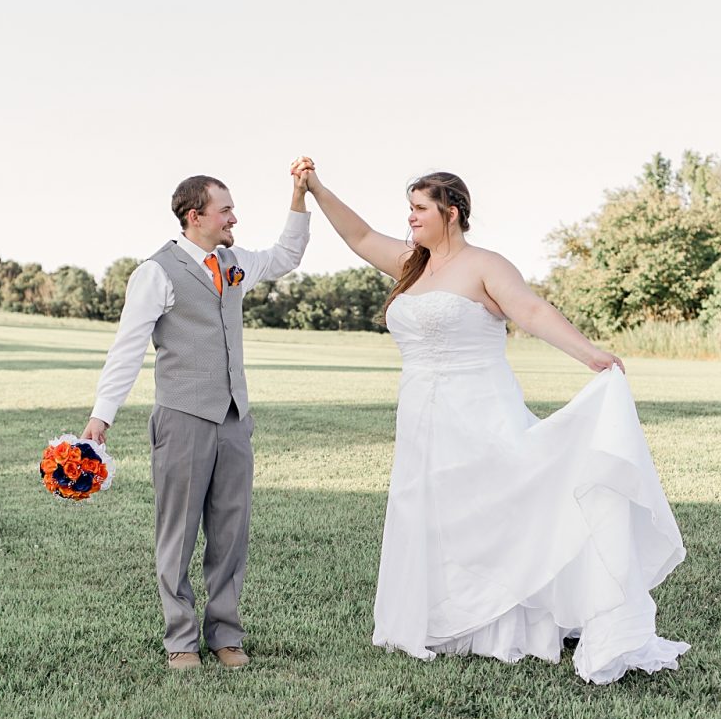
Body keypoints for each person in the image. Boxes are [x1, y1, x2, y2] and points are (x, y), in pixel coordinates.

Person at [292, 158, 687, 684]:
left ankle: (509, 619)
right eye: (408, 209)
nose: (409, 218)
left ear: (451, 212)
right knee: (434, 510)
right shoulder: (411, 263)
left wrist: (588, 353)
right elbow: (359, 234)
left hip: (478, 407)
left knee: (492, 507)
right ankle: (446, 620)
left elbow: (533, 312)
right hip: (420, 416)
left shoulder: (485, 264)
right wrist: (316, 188)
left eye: (419, 209)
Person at [82, 171, 310, 670]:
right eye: (226, 210)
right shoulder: (156, 272)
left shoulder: (234, 263)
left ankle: (225, 635)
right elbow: (127, 350)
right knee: (178, 533)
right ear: (196, 216)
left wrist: (299, 196)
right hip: (182, 418)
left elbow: (287, 256)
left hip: (233, 418)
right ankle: (181, 641)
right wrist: (102, 418)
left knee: (231, 531)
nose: (234, 218)